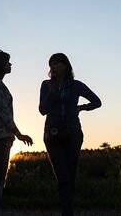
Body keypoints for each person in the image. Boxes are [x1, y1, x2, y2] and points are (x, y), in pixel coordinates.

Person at [39, 53, 101, 216]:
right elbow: (42, 110)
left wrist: (81, 108)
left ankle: (68, 211)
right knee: (63, 177)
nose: (53, 66)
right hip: (52, 134)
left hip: (73, 133)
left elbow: (97, 102)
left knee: (70, 176)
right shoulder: (46, 85)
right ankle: (67, 211)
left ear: (66, 66)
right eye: (51, 64)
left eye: (57, 63)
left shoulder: (76, 85)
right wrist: (51, 94)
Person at [0, 50, 33, 216]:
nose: (10, 65)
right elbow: (4, 113)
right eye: (7, 62)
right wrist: (19, 133)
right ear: (0, 65)